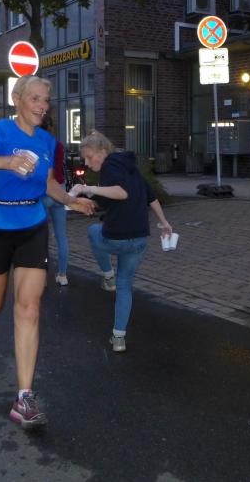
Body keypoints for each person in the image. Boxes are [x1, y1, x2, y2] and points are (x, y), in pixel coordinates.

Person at [0, 75, 95, 430]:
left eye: (46, 99)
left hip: (32, 225)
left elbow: (48, 183)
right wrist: (3, 162)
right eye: (35, 98)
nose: (42, 106)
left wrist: (71, 201)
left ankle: (24, 397)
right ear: (17, 99)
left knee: (29, 307)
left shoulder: (46, 140)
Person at [70, 130, 172, 353]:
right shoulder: (130, 168)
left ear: (102, 151)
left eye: (89, 157)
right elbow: (151, 197)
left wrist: (86, 188)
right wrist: (164, 223)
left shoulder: (111, 165)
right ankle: (119, 338)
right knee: (125, 287)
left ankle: (108, 276)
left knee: (93, 231)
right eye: (84, 159)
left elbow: (121, 193)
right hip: (139, 240)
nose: (87, 163)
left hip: (115, 238)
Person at [40, 115, 70, 286]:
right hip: (60, 190)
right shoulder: (58, 145)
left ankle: (42, 276)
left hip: (44, 192)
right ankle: (63, 275)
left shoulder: (35, 144)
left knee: (41, 237)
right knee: (61, 237)